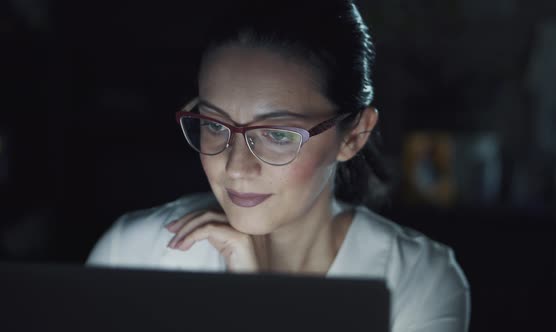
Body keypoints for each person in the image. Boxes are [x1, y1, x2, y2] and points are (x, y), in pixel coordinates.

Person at [86, 1, 470, 331]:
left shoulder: (414, 281)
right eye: (215, 126)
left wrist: (254, 303)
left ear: (354, 135)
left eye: (278, 134)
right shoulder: (134, 254)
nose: (236, 167)